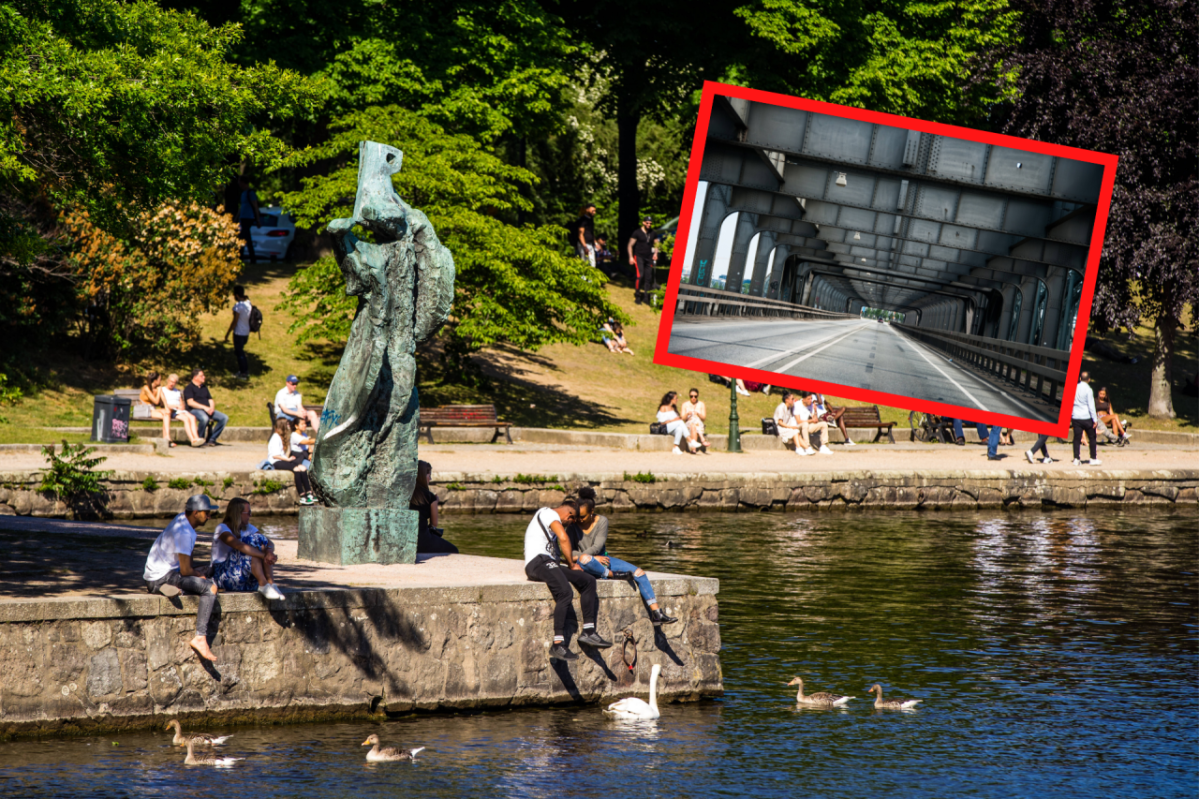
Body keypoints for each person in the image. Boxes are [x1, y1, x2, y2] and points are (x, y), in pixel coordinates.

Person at [569, 488, 676, 626]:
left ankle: (656, 613)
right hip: (585, 564)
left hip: (604, 560)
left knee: (639, 573)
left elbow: (597, 547)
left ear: (592, 511)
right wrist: (592, 558)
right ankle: (611, 574)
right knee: (585, 559)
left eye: (582, 516)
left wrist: (595, 557)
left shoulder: (602, 521)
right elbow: (569, 554)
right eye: (577, 516)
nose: (579, 519)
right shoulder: (572, 526)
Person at [524, 498, 611, 661]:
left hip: (548, 562)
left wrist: (567, 563)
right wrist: (571, 564)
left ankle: (589, 631)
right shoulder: (548, 513)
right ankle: (558, 644)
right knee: (565, 592)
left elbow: (557, 552)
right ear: (569, 515)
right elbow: (564, 538)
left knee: (588, 581)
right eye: (571, 521)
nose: (568, 524)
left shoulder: (550, 519)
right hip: (537, 563)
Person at [143, 495, 222, 662]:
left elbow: (186, 559)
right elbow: (186, 571)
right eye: (206, 513)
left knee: (207, 572)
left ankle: (169, 588)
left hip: (156, 574)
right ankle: (200, 638)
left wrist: (197, 571)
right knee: (210, 588)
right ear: (195, 512)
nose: (209, 517)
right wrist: (198, 575)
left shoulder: (182, 520)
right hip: (164, 575)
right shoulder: (184, 532)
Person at [211, 497, 283, 599]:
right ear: (238, 514)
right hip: (223, 577)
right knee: (250, 542)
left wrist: (269, 551)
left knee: (260, 541)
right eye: (248, 512)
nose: (250, 515)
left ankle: (271, 584)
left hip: (244, 579)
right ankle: (263, 584)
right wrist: (264, 556)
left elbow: (268, 541)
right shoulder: (222, 528)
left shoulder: (247, 527)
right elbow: (238, 545)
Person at [410, 460, 458, 554]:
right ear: (423, 476)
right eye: (429, 475)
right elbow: (434, 524)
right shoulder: (429, 497)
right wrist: (435, 502)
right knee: (453, 550)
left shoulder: (405, 495)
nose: (430, 479)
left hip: (406, 539)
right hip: (422, 541)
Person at [268, 418, 316, 504]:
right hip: (276, 461)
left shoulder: (281, 437)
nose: (288, 426)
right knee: (297, 469)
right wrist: (288, 459)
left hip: (283, 460)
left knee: (302, 468)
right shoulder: (275, 437)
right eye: (287, 424)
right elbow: (274, 456)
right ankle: (302, 495)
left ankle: (309, 493)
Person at [183, 369, 228, 446]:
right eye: (202, 376)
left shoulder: (204, 387)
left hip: (207, 410)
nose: (204, 377)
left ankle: (212, 439)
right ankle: (200, 439)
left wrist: (211, 408)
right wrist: (205, 408)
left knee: (224, 418)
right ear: (195, 377)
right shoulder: (189, 388)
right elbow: (190, 402)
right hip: (194, 410)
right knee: (204, 418)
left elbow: (210, 399)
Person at [161, 373, 204, 447]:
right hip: (171, 410)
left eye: (174, 382)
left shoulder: (177, 391)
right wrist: (174, 406)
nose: (172, 384)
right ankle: (192, 440)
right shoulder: (163, 390)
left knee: (193, 417)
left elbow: (182, 402)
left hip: (179, 410)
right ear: (167, 380)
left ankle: (196, 438)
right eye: (171, 381)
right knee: (186, 419)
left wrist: (181, 406)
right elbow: (163, 404)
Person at [1071, 371, 1102, 466]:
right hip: (1086, 417)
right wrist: (1095, 419)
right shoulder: (1089, 390)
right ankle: (1093, 458)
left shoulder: (1075, 387)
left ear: (1080, 378)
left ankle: (1076, 458)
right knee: (1092, 437)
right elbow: (1091, 406)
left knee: (1076, 438)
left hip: (1076, 416)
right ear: (1089, 380)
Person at [223, 286, 253, 380]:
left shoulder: (238, 306)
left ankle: (244, 373)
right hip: (246, 332)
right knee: (240, 352)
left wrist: (227, 333)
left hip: (239, 333)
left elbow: (234, 322)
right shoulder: (248, 303)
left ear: (236, 295)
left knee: (240, 353)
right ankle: (242, 370)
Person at [139, 371, 175, 447]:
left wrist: (167, 408)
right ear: (155, 381)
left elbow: (164, 399)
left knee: (167, 414)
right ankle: (167, 439)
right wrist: (159, 391)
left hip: (152, 410)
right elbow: (156, 401)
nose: (160, 381)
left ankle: (167, 438)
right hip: (144, 410)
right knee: (166, 415)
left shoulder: (158, 388)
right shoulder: (146, 388)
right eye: (160, 379)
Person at [627, 216, 656, 304]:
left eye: (650, 223)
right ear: (643, 223)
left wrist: (656, 253)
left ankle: (646, 298)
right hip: (639, 256)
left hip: (649, 257)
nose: (648, 224)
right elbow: (630, 245)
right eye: (647, 223)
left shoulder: (653, 233)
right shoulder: (637, 232)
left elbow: (657, 244)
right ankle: (637, 296)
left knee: (648, 278)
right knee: (640, 276)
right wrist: (631, 257)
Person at [237, 175, 263, 263]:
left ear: (243, 182)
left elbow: (255, 206)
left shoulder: (250, 193)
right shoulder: (243, 194)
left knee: (243, 237)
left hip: (248, 218)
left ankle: (241, 257)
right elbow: (241, 207)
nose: (239, 184)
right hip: (243, 217)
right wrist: (237, 217)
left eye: (240, 182)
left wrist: (258, 219)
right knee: (246, 238)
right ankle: (251, 258)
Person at [574, 203, 597, 267]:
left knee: (592, 263)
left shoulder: (591, 219)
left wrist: (596, 243)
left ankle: (591, 277)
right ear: (587, 210)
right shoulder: (582, 220)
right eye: (593, 210)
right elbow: (580, 234)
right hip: (584, 244)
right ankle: (583, 277)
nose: (594, 212)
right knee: (585, 263)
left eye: (595, 211)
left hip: (590, 244)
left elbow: (591, 232)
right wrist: (585, 247)